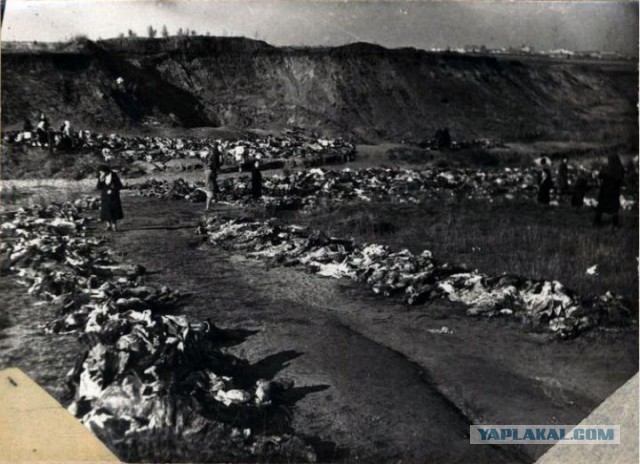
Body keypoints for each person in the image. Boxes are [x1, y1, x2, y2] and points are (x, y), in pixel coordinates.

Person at [594, 154, 624, 227]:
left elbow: (600, 175)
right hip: (614, 190)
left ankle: (597, 221)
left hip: (605, 190)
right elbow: (621, 178)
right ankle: (615, 223)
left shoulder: (606, 168)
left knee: (601, 206)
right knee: (614, 207)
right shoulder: (620, 168)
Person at [96, 165, 124, 231]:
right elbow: (98, 187)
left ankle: (114, 226)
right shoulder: (102, 176)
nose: (101, 173)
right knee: (106, 211)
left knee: (114, 210)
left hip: (114, 196)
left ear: (106, 171)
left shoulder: (114, 176)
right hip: (105, 197)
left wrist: (113, 190)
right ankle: (108, 225)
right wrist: (100, 180)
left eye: (102, 172)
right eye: (100, 172)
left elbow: (120, 186)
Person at [204, 143, 224, 211]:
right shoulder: (210, 171)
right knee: (210, 194)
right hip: (210, 183)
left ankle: (208, 207)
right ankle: (207, 208)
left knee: (209, 194)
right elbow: (213, 177)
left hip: (208, 181)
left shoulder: (208, 157)